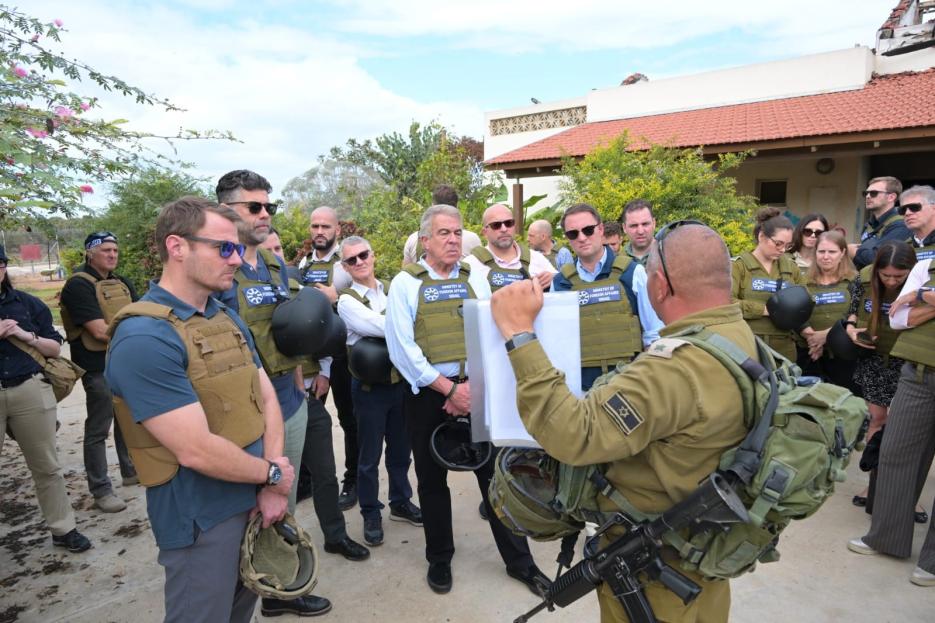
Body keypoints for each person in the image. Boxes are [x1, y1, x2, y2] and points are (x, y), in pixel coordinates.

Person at [490, 222, 753, 622]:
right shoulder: (739, 336)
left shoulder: (673, 369)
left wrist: (517, 331)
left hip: (657, 571)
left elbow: (572, 433)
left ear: (660, 285)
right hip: (709, 551)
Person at [105, 197, 294, 622]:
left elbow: (266, 398)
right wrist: (275, 475)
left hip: (253, 499)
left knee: (240, 609)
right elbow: (195, 450)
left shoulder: (223, 316)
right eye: (223, 248)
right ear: (177, 247)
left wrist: (270, 481)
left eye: (238, 248)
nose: (237, 259)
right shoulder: (143, 338)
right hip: (201, 519)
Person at [385, 204, 549, 596]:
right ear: (425, 241)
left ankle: (520, 563)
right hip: (429, 396)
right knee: (431, 480)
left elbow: (496, 325)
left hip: (476, 391)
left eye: (458, 232)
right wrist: (448, 389)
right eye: (444, 233)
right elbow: (401, 349)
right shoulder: (405, 284)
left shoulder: (475, 275)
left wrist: (533, 287)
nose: (454, 240)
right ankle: (439, 559)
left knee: (494, 478)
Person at [215, 169, 337, 617]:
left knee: (280, 498)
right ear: (227, 210)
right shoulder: (220, 269)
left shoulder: (271, 264)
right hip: (245, 412)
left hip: (289, 400)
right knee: (244, 509)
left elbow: (289, 329)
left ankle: (278, 587)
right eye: (255, 206)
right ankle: (241, 589)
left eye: (270, 206)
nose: (265, 213)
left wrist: (302, 384)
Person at [847, 215, 935, 587]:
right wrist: (919, 299)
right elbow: (898, 319)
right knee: (896, 452)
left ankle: (931, 563)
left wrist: (921, 303)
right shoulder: (927, 262)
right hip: (917, 369)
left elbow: (908, 310)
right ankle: (886, 537)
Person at [0, 246, 91, 553]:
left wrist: (27, 336)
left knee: (46, 467)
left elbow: (54, 348)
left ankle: (63, 528)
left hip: (29, 389)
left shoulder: (26, 304)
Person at [336, 236, 421, 547]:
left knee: (401, 452)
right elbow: (386, 327)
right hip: (370, 391)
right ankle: (371, 512)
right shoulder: (347, 301)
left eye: (363, 255)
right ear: (344, 266)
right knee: (368, 456)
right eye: (351, 260)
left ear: (372, 255)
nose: (359, 262)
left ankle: (400, 502)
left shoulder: (390, 289)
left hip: (400, 385)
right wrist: (408, 321)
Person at [844, 241, 927, 521]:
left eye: (898, 277)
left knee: (906, 431)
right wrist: (852, 330)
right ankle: (876, 485)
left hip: (908, 361)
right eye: (885, 275)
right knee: (877, 420)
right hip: (874, 360)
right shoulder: (864, 276)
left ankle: (906, 495)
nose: (891, 281)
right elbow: (851, 314)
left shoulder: (924, 282)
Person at [59, 231, 137, 513]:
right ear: (89, 253)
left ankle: (130, 471)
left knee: (127, 421)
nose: (112, 255)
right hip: (96, 367)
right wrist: (136, 335)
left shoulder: (121, 282)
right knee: (98, 428)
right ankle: (101, 489)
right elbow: (99, 331)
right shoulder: (78, 286)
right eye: (106, 250)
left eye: (115, 250)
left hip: (123, 361)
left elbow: (139, 317)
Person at [552, 203, 663, 390]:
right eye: (573, 233)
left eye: (588, 230)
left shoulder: (633, 273)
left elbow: (653, 336)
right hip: (581, 390)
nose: (582, 238)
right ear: (567, 238)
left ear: (601, 229)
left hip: (630, 386)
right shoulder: (560, 283)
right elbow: (558, 345)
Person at [297, 205, 359, 510]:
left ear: (338, 230)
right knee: (308, 419)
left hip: (343, 353)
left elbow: (363, 288)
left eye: (325, 226)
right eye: (315, 226)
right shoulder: (304, 265)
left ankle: (353, 481)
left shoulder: (347, 262)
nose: (319, 232)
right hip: (312, 355)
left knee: (350, 420)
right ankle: (306, 480)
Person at [731, 207, 804, 361]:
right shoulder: (739, 266)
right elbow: (727, 303)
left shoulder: (791, 268)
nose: (782, 250)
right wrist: (766, 310)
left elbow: (804, 300)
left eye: (787, 245)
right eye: (778, 243)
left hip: (785, 347)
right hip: (749, 344)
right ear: (762, 236)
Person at [797, 231, 858, 389]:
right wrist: (813, 339)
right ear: (815, 252)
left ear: (843, 253)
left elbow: (858, 313)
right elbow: (796, 312)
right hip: (810, 353)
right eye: (821, 251)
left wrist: (827, 336)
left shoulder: (854, 281)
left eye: (832, 252)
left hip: (844, 355)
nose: (826, 257)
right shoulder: (802, 281)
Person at [463, 203, 556, 292]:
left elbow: (562, 289)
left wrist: (553, 278)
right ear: (484, 232)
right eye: (496, 225)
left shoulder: (537, 258)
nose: (504, 229)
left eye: (508, 223)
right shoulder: (471, 265)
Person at [401, 185, 482, 266]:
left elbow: (406, 273)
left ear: (432, 206)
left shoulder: (413, 239)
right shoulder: (472, 239)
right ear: (457, 207)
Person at [849, 176, 911, 271]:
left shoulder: (901, 224)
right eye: (866, 193)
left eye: (874, 193)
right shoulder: (869, 224)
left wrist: (854, 252)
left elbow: (879, 259)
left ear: (891, 197)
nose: (868, 196)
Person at [901, 185, 935, 260]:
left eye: (914, 207)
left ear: (933, 208)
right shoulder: (901, 249)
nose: (907, 213)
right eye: (903, 210)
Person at [620, 198, 657, 266]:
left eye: (645, 224)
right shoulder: (616, 263)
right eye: (634, 226)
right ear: (624, 228)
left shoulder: (669, 255)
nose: (640, 231)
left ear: (654, 223)